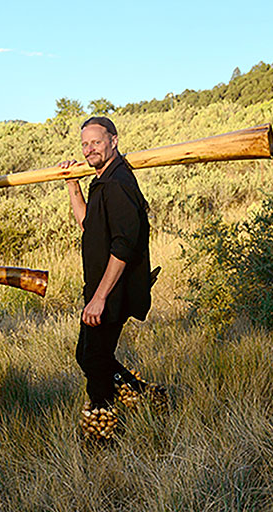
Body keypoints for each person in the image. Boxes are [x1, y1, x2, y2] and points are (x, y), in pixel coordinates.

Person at [59, 116, 166, 439]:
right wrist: (72, 186)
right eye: (85, 144)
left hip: (112, 291)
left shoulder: (118, 184)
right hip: (101, 288)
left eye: (96, 142)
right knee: (91, 355)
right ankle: (146, 394)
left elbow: (123, 246)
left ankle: (102, 431)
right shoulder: (104, 179)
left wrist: (100, 298)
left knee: (93, 358)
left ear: (114, 141)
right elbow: (87, 224)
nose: (89, 149)